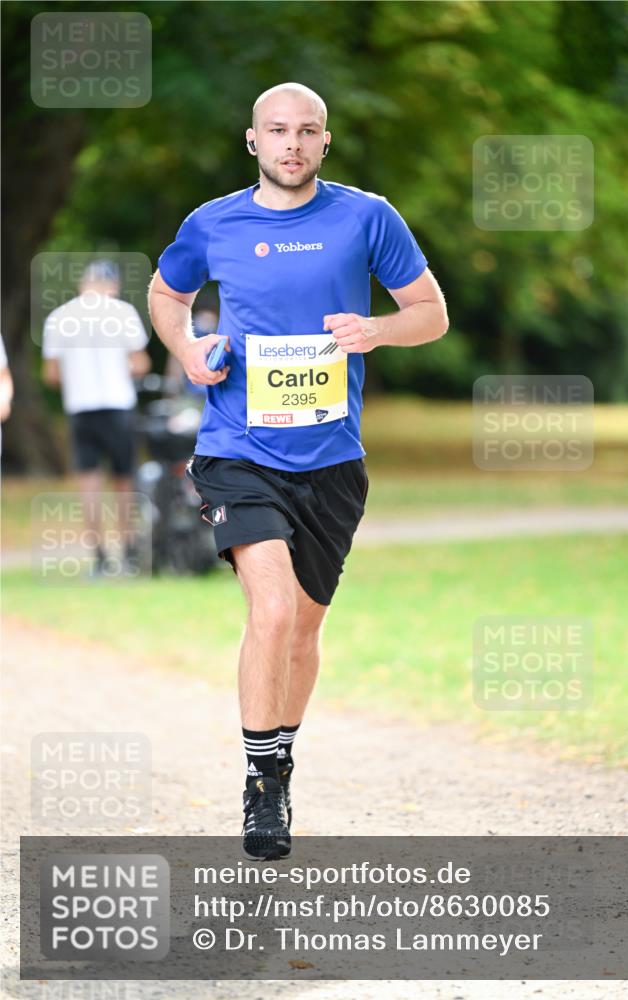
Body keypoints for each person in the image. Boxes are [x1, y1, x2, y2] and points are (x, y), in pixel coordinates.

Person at [149, 82, 448, 860]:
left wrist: (376, 330)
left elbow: (430, 311)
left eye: (306, 131)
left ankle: (280, 755)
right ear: (252, 141)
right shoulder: (211, 223)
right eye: (276, 130)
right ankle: (261, 785)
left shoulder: (366, 217)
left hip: (332, 462)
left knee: (305, 629)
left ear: (324, 141)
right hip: (236, 451)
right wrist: (185, 349)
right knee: (273, 613)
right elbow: (165, 290)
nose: (291, 143)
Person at [42, 260, 151, 574]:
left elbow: (51, 373)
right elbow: (140, 363)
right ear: (112, 285)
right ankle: (129, 553)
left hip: (80, 407)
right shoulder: (122, 313)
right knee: (123, 480)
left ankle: (100, 558)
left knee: (89, 484)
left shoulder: (59, 317)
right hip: (118, 406)